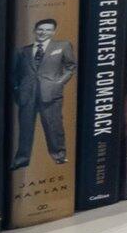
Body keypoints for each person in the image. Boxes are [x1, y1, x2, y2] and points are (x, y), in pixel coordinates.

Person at [10, 15, 77, 169]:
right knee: (25, 129)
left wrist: (59, 82)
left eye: (47, 30)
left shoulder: (63, 45)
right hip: (27, 95)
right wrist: (17, 89)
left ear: (53, 32)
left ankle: (59, 156)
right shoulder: (22, 51)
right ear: (35, 30)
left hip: (51, 94)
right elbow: (13, 73)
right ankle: (21, 160)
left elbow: (70, 66)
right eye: (40, 29)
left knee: (54, 126)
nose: (43, 32)